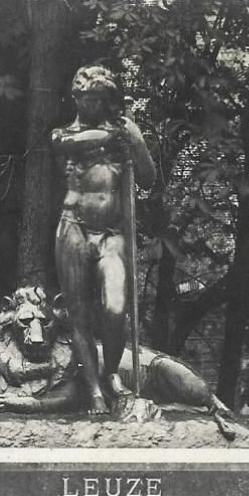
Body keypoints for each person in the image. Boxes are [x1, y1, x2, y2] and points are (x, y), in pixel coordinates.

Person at [52, 65, 156, 413]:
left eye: (99, 100)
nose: (93, 106)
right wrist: (113, 136)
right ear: (76, 97)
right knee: (78, 314)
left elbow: (148, 179)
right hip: (74, 229)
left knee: (115, 308)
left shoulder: (123, 137)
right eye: (87, 99)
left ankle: (111, 373)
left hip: (112, 234)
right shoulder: (64, 135)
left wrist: (138, 142)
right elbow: (70, 144)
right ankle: (94, 389)